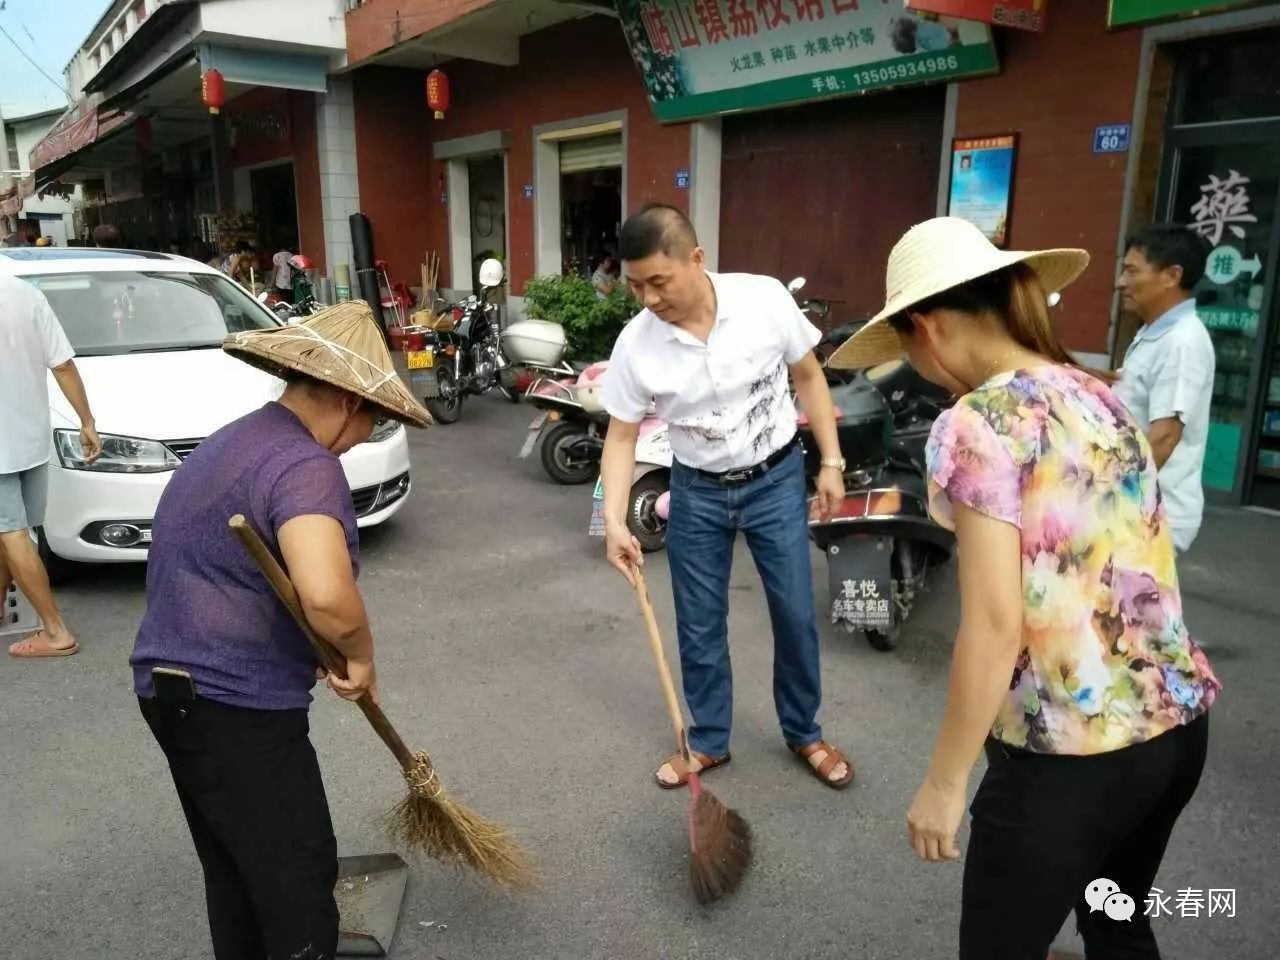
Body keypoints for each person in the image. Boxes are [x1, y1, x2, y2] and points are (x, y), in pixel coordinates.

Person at [828, 217, 1221, 960]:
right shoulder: (1098, 395)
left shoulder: (977, 422)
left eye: (907, 348)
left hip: (1068, 756)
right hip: (1173, 725)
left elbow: (994, 624)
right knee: (1117, 924)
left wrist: (945, 784)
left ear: (925, 328)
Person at [129, 301, 431, 959]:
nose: (363, 436)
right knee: (297, 875)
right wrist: (361, 654)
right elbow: (325, 596)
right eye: (374, 418)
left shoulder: (236, 440)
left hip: (170, 693)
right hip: (235, 705)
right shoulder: (304, 464)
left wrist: (313, 645)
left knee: (237, 868)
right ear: (350, 402)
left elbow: (245, 574)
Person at [600, 203, 854, 790]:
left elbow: (810, 376)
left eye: (658, 282)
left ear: (696, 258)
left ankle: (804, 732)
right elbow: (620, 434)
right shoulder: (636, 345)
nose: (647, 299)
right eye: (635, 285)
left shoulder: (764, 301)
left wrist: (832, 462)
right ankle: (709, 740)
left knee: (794, 612)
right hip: (696, 492)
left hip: (775, 480)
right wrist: (614, 520)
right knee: (698, 623)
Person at [1, 274, 102, 659]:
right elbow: (62, 365)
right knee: (13, 531)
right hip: (30, 438)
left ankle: (55, 630)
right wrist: (86, 421)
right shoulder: (26, 293)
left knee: (11, 533)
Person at [1115, 224, 1215, 553]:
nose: (1121, 282)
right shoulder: (1155, 332)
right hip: (1138, 504)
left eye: (1131, 271)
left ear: (1171, 275)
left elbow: (1165, 435)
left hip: (1152, 511)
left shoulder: (1183, 341)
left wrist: (1110, 498)